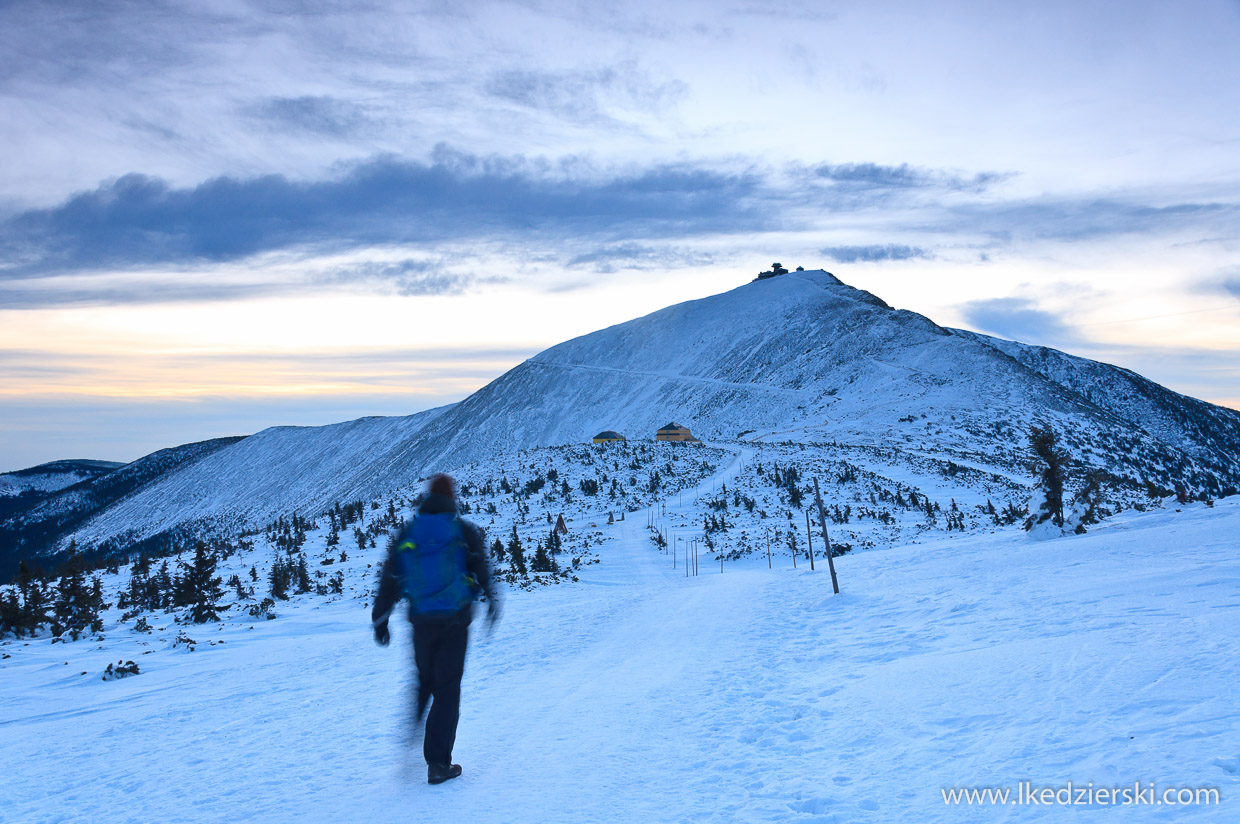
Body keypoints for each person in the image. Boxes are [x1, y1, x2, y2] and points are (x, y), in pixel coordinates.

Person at [372, 473, 500, 785]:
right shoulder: (462, 530)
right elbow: (481, 568)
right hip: (455, 621)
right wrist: (493, 602)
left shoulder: (410, 531)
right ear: (451, 497)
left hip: (421, 621)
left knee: (424, 681)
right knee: (447, 691)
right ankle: (438, 763)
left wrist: (380, 618)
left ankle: (413, 732)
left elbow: (391, 576)